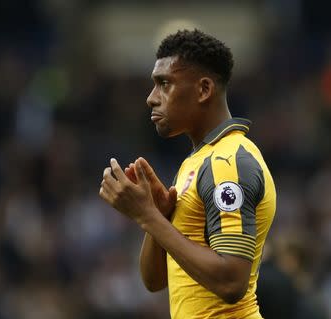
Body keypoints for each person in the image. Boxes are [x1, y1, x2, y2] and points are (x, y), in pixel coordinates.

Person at [99, 29, 276, 319]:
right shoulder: (195, 163)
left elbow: (232, 281)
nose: (151, 98)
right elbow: (155, 281)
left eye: (164, 83)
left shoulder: (227, 162)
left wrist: (148, 216)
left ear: (204, 90)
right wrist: (158, 216)